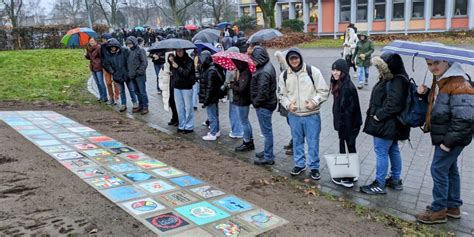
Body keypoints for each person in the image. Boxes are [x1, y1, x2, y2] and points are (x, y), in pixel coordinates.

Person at [415, 60, 474, 224]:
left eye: (436, 63)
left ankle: (439, 210)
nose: (433, 67)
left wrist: (447, 143)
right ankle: (453, 206)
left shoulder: (459, 83)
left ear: (447, 63)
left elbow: (465, 118)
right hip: (449, 135)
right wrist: (426, 94)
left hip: (452, 137)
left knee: (438, 169)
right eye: (428, 64)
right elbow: (443, 106)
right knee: (450, 169)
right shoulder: (445, 81)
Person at [360, 52, 410, 195]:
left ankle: (379, 183)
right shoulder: (394, 78)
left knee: (381, 152)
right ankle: (395, 179)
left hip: (387, 124)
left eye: (381, 67)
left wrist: (378, 116)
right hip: (391, 124)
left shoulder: (396, 81)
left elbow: (394, 104)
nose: (379, 70)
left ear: (389, 67)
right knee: (393, 149)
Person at [279, 48, 329, 180]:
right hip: (294, 115)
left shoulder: (312, 72)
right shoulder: (284, 75)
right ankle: (299, 164)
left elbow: (323, 91)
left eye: (296, 58)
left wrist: (314, 102)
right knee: (297, 141)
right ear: (288, 61)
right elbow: (281, 94)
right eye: (291, 59)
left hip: (311, 114)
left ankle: (314, 167)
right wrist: (288, 105)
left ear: (300, 58)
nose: (294, 61)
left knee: (313, 142)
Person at [329, 59, 362, 188]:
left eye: (338, 70)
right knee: (348, 146)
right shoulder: (339, 84)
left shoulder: (347, 87)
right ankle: (350, 172)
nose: (335, 73)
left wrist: (343, 128)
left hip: (349, 124)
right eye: (333, 70)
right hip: (345, 123)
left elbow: (348, 112)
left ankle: (350, 175)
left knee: (349, 145)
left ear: (344, 71)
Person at [250, 46, 278, 166]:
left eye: (254, 58)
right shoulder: (266, 66)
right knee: (267, 131)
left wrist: (255, 103)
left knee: (266, 132)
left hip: (264, 105)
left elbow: (262, 92)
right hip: (268, 103)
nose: (253, 61)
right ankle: (267, 151)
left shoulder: (264, 71)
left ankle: (268, 157)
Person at [103, 38, 137, 112]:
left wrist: (129, 71)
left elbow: (129, 61)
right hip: (117, 76)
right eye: (111, 47)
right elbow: (107, 65)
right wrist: (113, 72)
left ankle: (135, 102)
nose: (113, 49)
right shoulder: (109, 55)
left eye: (114, 47)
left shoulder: (124, 51)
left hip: (126, 74)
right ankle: (123, 104)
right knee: (121, 91)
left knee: (131, 90)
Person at [199, 50, 224, 141]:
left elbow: (210, 88)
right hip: (213, 97)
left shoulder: (210, 71)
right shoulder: (211, 69)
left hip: (211, 98)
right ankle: (216, 130)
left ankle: (213, 133)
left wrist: (206, 101)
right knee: (214, 114)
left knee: (212, 115)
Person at [170, 49, 196, 133]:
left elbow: (186, 73)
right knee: (179, 107)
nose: (179, 53)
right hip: (177, 86)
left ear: (184, 51)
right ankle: (181, 125)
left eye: (181, 51)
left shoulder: (189, 61)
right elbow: (174, 73)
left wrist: (177, 67)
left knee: (188, 107)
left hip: (186, 86)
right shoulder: (175, 60)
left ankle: (189, 126)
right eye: (177, 51)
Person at [232, 58, 255, 152]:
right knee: (245, 121)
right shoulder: (243, 72)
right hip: (242, 100)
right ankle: (250, 140)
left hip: (242, 101)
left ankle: (246, 141)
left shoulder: (245, 73)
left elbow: (241, 89)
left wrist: (232, 86)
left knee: (244, 122)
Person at [275, 50, 293, 156]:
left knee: (294, 125)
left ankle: (295, 145)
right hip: (285, 102)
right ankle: (293, 142)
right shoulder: (284, 70)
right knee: (290, 124)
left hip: (290, 103)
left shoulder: (289, 71)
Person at [223, 47, 244, 139]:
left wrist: (226, 84)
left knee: (234, 113)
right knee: (237, 112)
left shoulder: (232, 68)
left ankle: (236, 131)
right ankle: (239, 130)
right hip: (238, 94)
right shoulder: (241, 65)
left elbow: (227, 82)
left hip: (233, 94)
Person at [125, 36, 149, 114]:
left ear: (134, 43)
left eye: (130, 43)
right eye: (128, 44)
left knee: (142, 92)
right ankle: (141, 105)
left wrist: (139, 72)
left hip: (139, 76)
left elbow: (144, 62)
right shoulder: (129, 51)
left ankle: (145, 106)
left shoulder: (140, 50)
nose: (129, 45)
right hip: (132, 75)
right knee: (136, 91)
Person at [85, 37, 108, 102]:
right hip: (92, 67)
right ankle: (101, 96)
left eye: (92, 41)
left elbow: (102, 57)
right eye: (90, 41)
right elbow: (89, 58)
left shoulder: (99, 48)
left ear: (95, 41)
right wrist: (86, 55)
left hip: (98, 67)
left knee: (101, 82)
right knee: (97, 83)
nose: (91, 42)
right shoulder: (89, 48)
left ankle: (105, 97)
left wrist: (99, 63)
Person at [100, 34, 120, 105]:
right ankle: (111, 98)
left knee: (116, 83)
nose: (104, 41)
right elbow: (101, 56)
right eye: (102, 39)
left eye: (105, 39)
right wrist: (104, 64)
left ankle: (116, 97)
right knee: (108, 83)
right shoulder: (102, 46)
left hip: (114, 67)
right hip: (106, 67)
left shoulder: (114, 45)